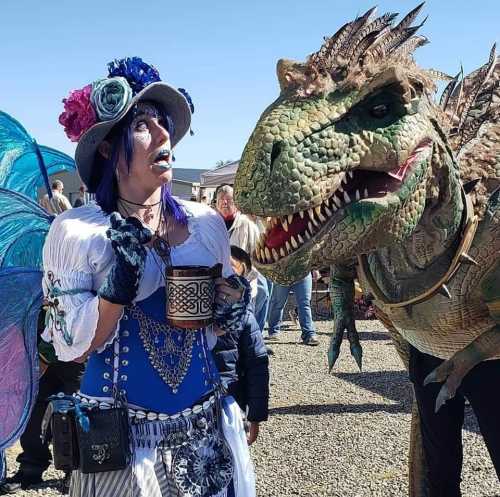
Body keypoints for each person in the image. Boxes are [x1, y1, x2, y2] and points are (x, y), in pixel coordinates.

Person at [42, 57, 254, 497]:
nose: (163, 134)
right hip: (121, 437)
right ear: (107, 147)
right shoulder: (80, 232)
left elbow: (212, 334)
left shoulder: (205, 224)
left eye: (163, 122)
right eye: (143, 123)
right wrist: (119, 284)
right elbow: (76, 347)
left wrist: (229, 307)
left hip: (204, 427)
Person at [0, 311, 84, 495]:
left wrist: (45, 355)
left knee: (73, 410)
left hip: (75, 345)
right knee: (35, 405)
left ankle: (74, 470)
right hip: (36, 341)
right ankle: (30, 469)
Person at [212, 246, 269, 446]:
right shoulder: (190, 312)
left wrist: (255, 416)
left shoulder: (244, 317)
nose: (224, 273)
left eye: (231, 268)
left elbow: (257, 365)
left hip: (229, 399)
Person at [215, 185, 270, 333]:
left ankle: (256, 341)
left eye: (229, 199)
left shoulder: (248, 226)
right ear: (216, 203)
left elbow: (258, 258)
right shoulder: (211, 225)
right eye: (221, 199)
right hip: (217, 285)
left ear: (237, 203)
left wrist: (245, 280)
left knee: (246, 324)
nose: (224, 203)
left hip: (242, 285)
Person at [266, 272, 319, 346]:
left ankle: (309, 334)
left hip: (303, 273)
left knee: (305, 303)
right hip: (282, 274)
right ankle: (273, 330)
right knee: (278, 304)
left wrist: (315, 269)